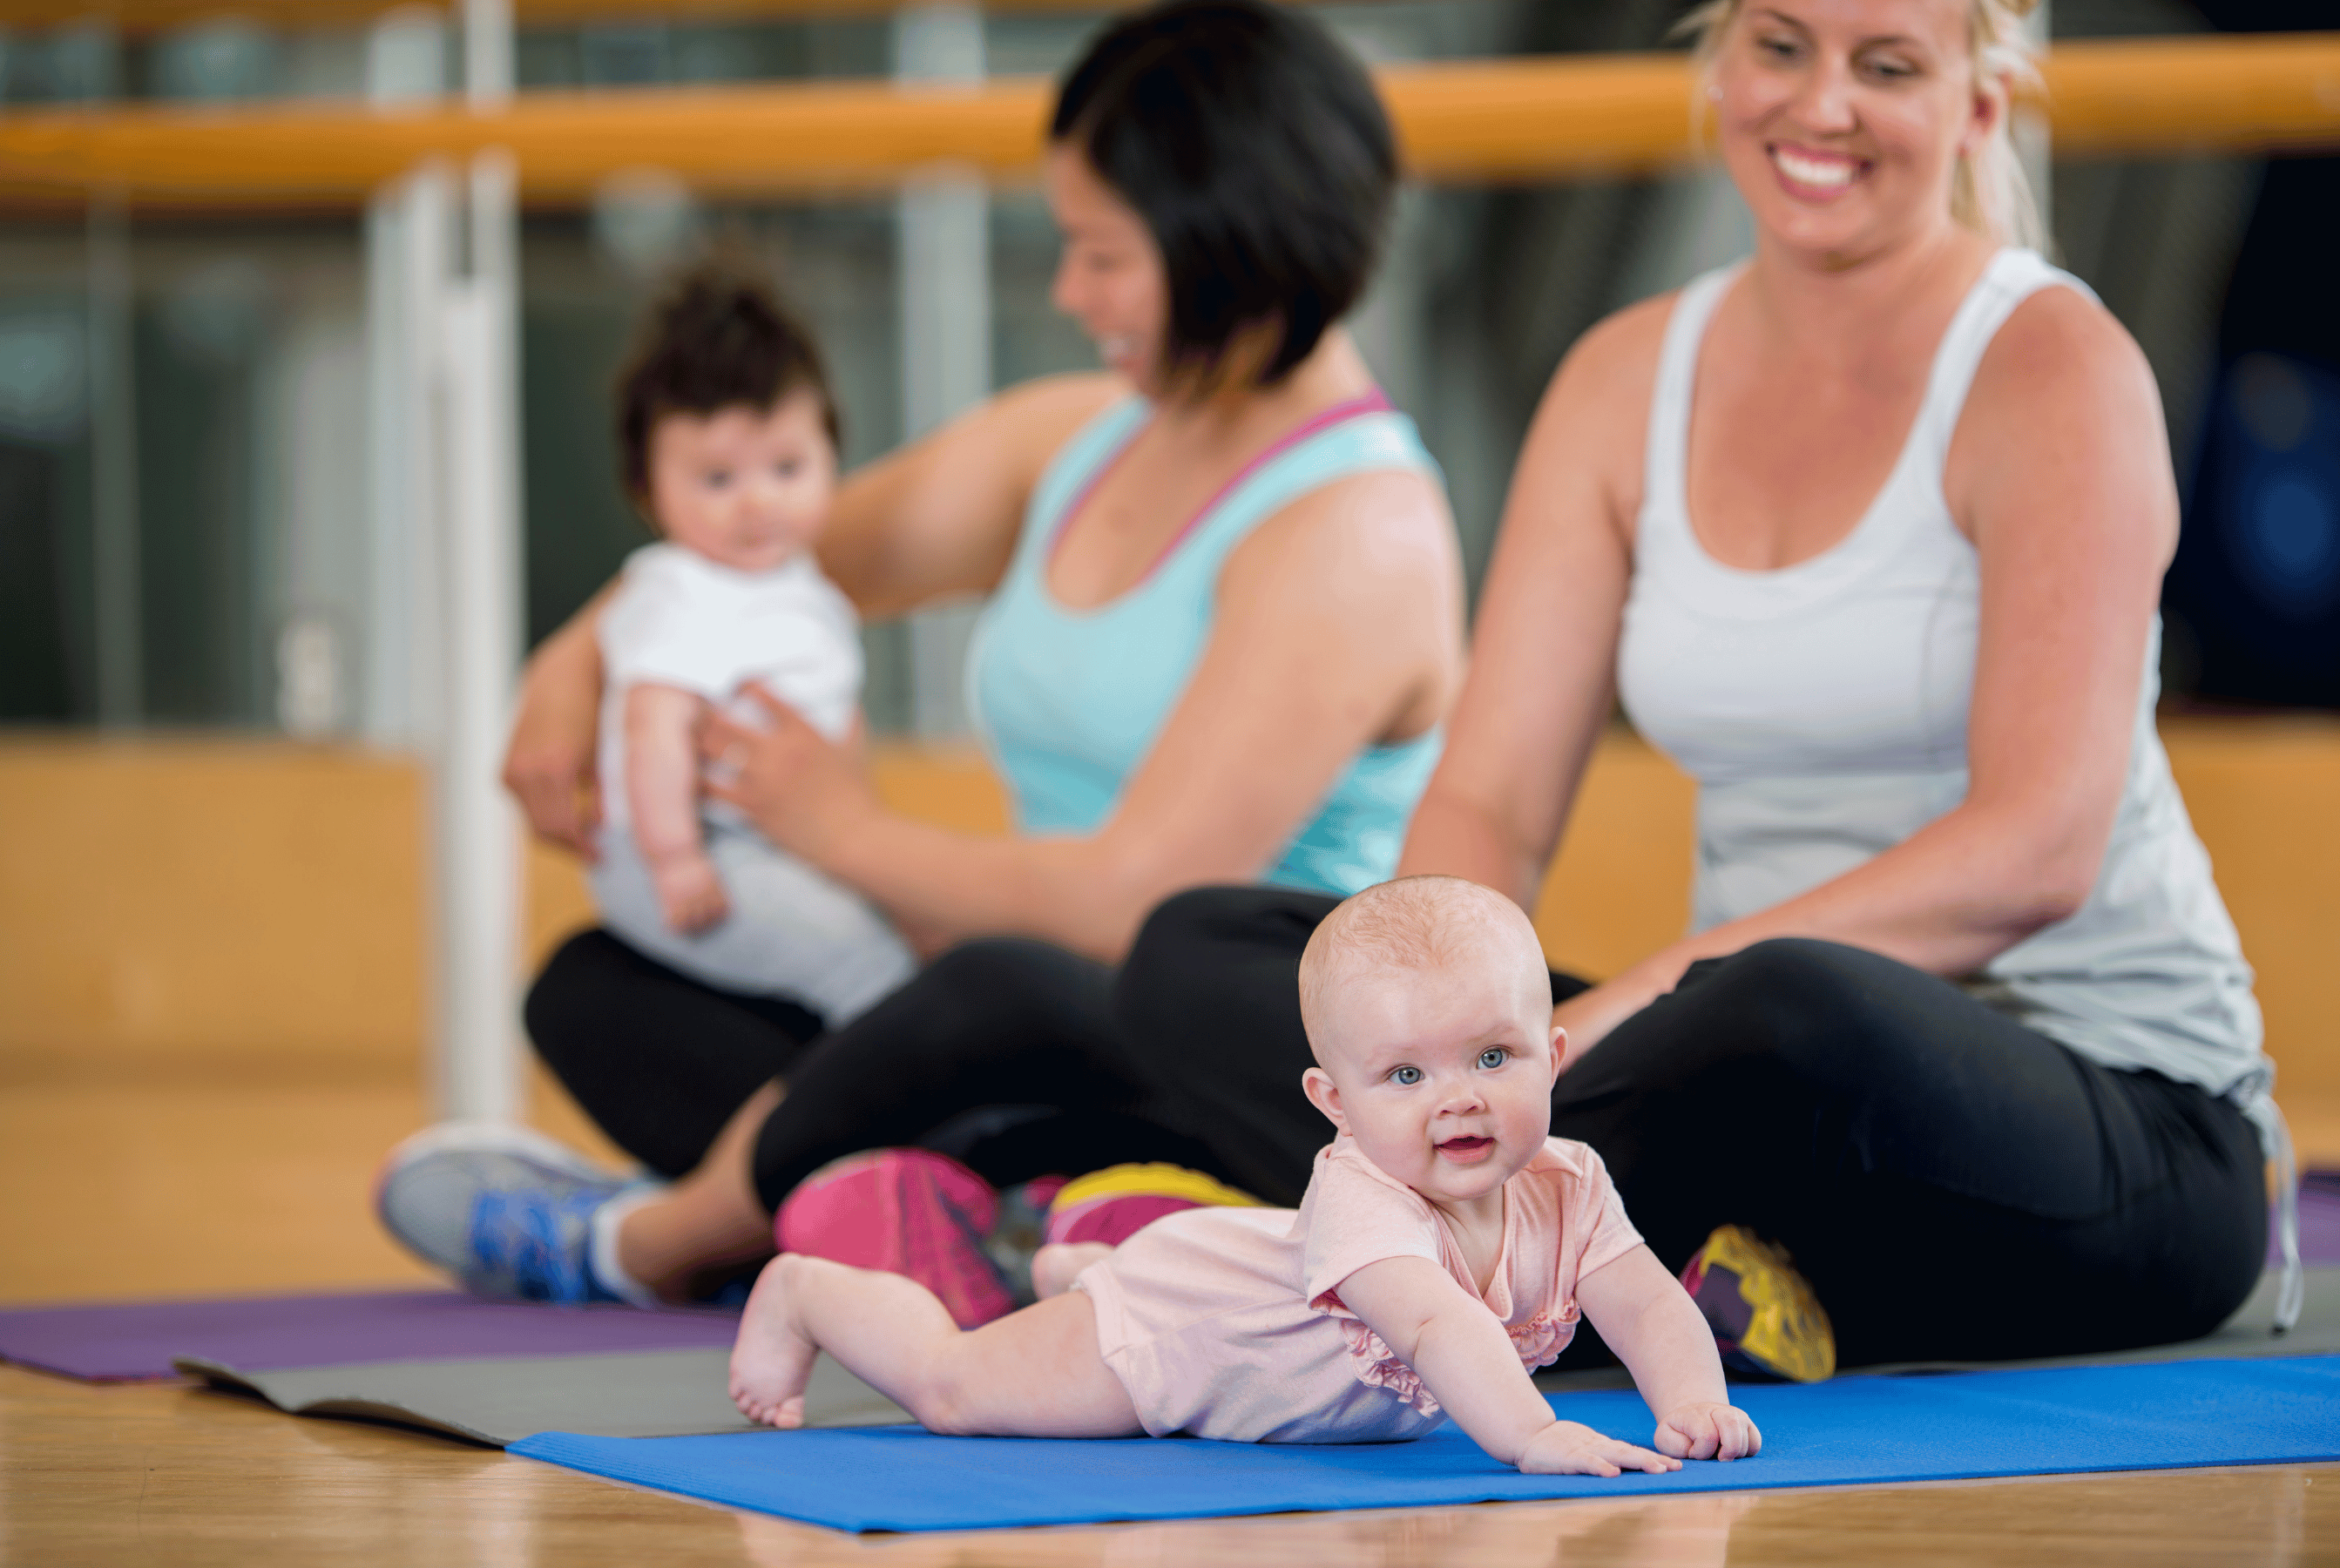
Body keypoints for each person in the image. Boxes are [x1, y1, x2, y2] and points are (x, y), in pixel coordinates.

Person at [1106, 0, 2295, 1372]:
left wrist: (1661, 988)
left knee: (1790, 1009)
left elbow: (2035, 852)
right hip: (1737, 1087)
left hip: (2110, 1121)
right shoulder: (1624, 380)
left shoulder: (2052, 367)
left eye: (1889, 66)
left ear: (1978, 106)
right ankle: (1620, 1267)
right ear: (1719, 65)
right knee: (1203, 953)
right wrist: (1419, 1025)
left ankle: (1348, 1257)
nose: (1822, 105)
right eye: (1782, 48)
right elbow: (1490, 798)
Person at [375, 0, 1466, 1313]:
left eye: (1100, 255)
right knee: (600, 990)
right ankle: (973, 1219)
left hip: (1223, 1061)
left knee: (992, 985)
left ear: (1229, 243)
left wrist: (841, 830)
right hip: (1025, 1032)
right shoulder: (1080, 439)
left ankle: (664, 1240)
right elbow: (759, 552)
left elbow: (1136, 908)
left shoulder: (1359, 529)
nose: (1071, 294)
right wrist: (575, 662)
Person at [727, 878, 1762, 1473]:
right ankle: (811, 1293)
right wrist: (1534, 1438)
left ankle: (1071, 1261)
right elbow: (1440, 1326)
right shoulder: (1362, 1192)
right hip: (1181, 1337)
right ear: (1335, 1105)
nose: (1458, 1098)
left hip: (1244, 1275)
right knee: (958, 1391)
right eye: (1405, 1074)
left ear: (1556, 1059)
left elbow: (1643, 1299)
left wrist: (1691, 1405)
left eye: (1493, 1058)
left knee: (1131, 1274)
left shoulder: (1571, 1182)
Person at [585, 262, 916, 1030]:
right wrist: (675, 856)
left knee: (893, 947)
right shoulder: (678, 590)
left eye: (788, 467)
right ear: (647, 488)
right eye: (717, 479)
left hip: (776, 843)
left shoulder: (809, 594)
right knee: (867, 967)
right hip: (692, 853)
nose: (758, 501)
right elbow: (652, 728)